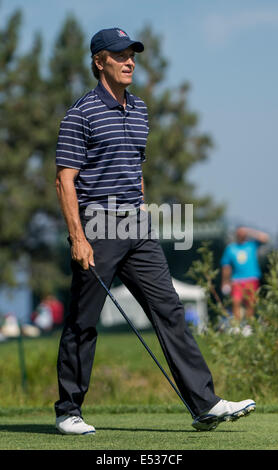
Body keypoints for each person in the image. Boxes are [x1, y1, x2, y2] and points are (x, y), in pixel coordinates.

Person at [54, 27, 255, 435]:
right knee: (83, 319)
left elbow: (136, 168)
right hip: (98, 226)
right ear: (99, 62)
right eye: (120, 55)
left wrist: (141, 209)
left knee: (170, 312)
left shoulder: (140, 109)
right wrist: (78, 237)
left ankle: (205, 404)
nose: (129, 61)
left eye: (132, 54)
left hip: (138, 227)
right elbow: (65, 179)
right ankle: (68, 410)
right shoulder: (81, 113)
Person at [221, 226, 269, 321]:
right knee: (236, 302)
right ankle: (237, 326)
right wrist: (225, 282)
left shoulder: (252, 245)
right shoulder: (231, 248)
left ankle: (249, 325)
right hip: (237, 280)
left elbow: (265, 238)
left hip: (251, 279)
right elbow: (226, 267)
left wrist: (248, 231)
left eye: (243, 233)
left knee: (250, 303)